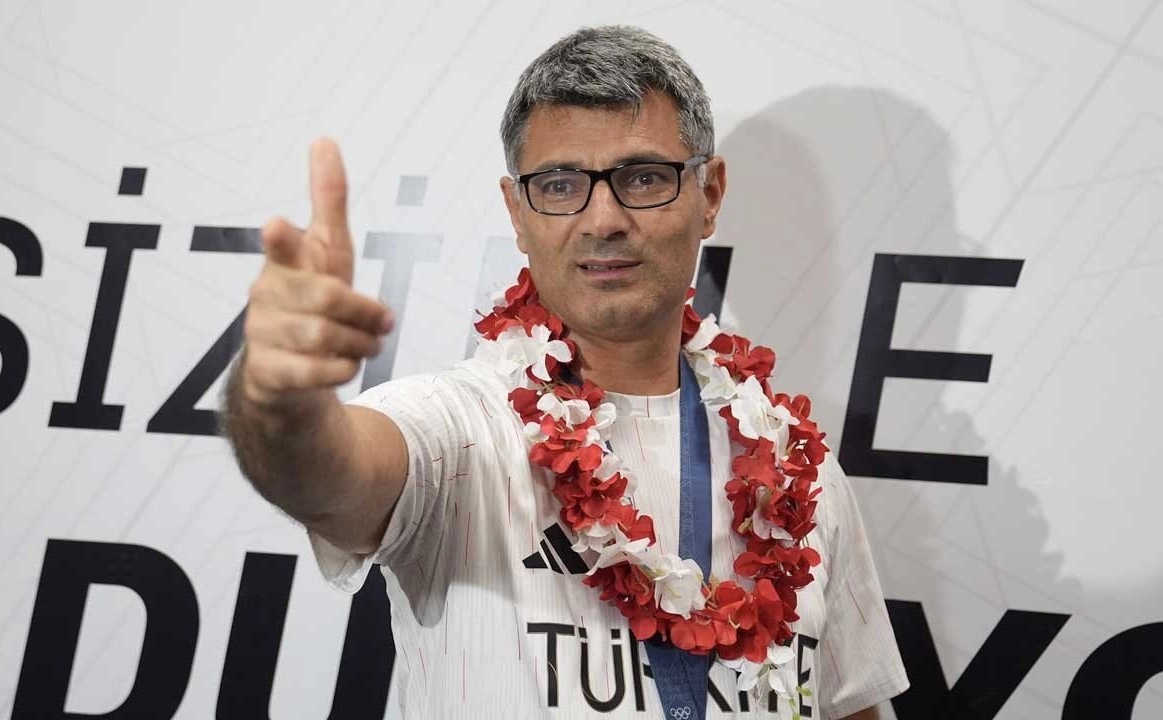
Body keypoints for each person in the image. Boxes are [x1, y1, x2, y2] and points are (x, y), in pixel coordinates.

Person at [222, 25, 908, 719]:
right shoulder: (458, 430)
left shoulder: (799, 474)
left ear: (710, 194)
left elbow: (851, 708)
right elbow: (321, 473)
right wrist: (279, 400)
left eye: (644, 177)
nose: (602, 219)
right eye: (559, 185)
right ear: (517, 213)